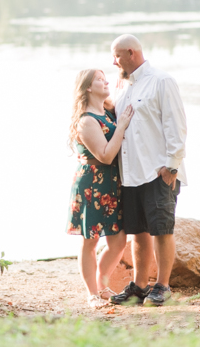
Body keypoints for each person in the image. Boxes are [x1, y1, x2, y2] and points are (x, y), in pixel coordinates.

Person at [108, 34, 187, 307]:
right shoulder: (123, 87)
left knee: (162, 229)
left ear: (131, 52)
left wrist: (172, 166)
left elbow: (176, 126)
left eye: (116, 56)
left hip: (158, 170)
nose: (113, 61)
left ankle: (162, 286)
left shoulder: (161, 81)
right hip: (130, 172)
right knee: (138, 231)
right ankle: (140, 287)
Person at [66, 68, 135, 309]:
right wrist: (122, 126)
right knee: (90, 241)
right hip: (92, 185)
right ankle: (92, 294)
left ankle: (102, 285)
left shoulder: (107, 109)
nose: (105, 81)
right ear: (87, 87)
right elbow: (105, 156)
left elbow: (127, 95)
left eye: (105, 77)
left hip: (112, 183)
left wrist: (126, 78)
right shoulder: (86, 120)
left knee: (118, 241)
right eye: (99, 79)